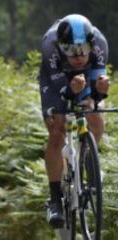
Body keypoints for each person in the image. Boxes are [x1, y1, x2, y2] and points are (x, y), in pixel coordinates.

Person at [39, 14, 109, 228]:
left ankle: (89, 159)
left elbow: (97, 95)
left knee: (96, 116)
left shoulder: (100, 44)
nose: (78, 56)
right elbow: (61, 90)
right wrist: (70, 90)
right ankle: (54, 200)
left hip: (84, 78)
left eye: (82, 50)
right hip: (55, 79)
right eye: (70, 50)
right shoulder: (50, 44)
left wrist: (99, 93)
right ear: (61, 46)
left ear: (90, 44)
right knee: (57, 131)